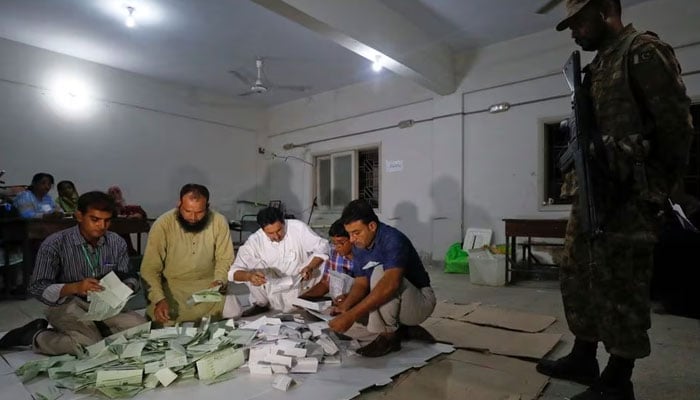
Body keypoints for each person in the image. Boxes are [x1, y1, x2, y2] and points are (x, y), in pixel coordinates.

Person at [537, 1, 695, 399]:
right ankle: (584, 355)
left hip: (630, 196)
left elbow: (677, 128)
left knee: (621, 286)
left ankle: (618, 378)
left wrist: (655, 189)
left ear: (605, 9)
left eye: (578, 22)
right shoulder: (597, 67)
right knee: (578, 276)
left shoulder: (641, 52)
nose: (574, 32)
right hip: (593, 192)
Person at [0, 191, 146, 355]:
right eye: (95, 219)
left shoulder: (115, 241)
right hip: (66, 302)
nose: (101, 226)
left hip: (104, 303)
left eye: (107, 221)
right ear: (79, 216)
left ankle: (91, 331)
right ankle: (36, 336)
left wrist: (128, 285)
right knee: (89, 346)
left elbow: (129, 273)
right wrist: (74, 287)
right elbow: (38, 287)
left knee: (141, 329)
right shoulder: (54, 244)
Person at [328, 199, 436, 357]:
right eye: (350, 234)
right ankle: (403, 329)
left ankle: (388, 338)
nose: (352, 239)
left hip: (420, 302)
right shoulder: (360, 245)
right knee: (344, 320)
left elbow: (391, 284)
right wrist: (346, 307)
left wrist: (351, 316)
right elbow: (361, 282)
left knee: (380, 274)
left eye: (356, 233)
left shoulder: (393, 240)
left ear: (372, 226)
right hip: (396, 302)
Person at [140, 184, 236, 325]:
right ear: (179, 204)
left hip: (207, 287)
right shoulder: (163, 224)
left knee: (234, 310)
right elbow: (149, 269)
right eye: (187, 211)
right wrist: (159, 299)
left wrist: (219, 281)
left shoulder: (219, 221)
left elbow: (225, 258)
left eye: (199, 212)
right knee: (164, 318)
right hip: (173, 289)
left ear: (207, 206)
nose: (193, 217)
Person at [229, 206, 328, 315]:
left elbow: (323, 247)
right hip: (271, 287)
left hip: (299, 282)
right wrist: (249, 277)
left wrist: (310, 267)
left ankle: (306, 301)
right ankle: (261, 304)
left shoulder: (297, 227)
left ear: (284, 222)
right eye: (270, 233)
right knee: (251, 269)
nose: (276, 236)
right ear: (262, 230)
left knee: (322, 260)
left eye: (279, 230)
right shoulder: (254, 241)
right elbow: (233, 273)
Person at [299, 219, 355, 301]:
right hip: (339, 301)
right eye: (334, 243)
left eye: (341, 242)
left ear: (352, 238)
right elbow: (325, 283)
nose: (337, 247)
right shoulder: (334, 253)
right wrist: (305, 298)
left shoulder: (364, 255)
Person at [107, 185, 147, 255]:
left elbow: (141, 212)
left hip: (127, 249)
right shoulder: (106, 210)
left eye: (117, 191)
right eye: (112, 193)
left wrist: (138, 215)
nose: (115, 194)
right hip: (111, 250)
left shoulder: (126, 209)